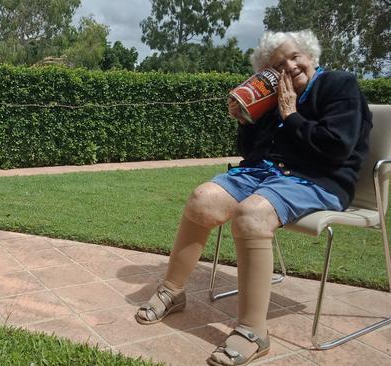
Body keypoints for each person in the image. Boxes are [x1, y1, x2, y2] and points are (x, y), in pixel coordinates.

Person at [135, 30, 372, 366]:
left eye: (294, 57)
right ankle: (172, 291)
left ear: (310, 56)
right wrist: (246, 120)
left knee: (252, 215)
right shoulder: (273, 98)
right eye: (277, 65)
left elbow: (337, 147)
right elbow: (251, 153)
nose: (289, 67)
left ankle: (253, 331)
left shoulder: (338, 85)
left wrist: (291, 116)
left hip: (319, 179)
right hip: (264, 174)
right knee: (201, 199)